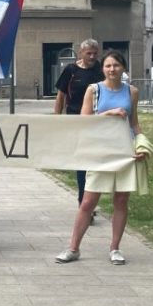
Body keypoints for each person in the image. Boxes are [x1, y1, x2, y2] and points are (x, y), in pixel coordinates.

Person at [56, 50, 147, 265]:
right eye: (108, 66)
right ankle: (73, 247)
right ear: (102, 69)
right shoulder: (94, 90)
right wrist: (108, 113)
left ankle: (115, 248)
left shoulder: (131, 92)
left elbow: (134, 123)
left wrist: (141, 144)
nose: (112, 69)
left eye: (116, 65)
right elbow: (84, 120)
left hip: (124, 151)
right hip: (100, 151)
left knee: (121, 200)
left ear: (123, 68)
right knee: (88, 201)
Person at [54, 39, 104, 221]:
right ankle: (84, 204)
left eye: (95, 53)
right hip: (76, 121)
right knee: (82, 164)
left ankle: (88, 203)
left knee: (93, 164)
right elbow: (61, 95)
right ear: (81, 53)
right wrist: (57, 119)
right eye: (88, 53)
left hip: (97, 122)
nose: (92, 56)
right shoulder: (71, 70)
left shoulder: (100, 69)